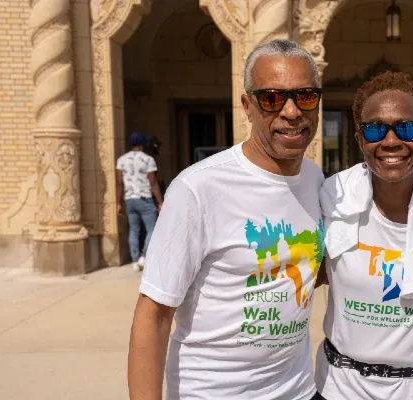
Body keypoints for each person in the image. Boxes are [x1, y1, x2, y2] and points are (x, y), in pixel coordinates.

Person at [127, 39, 326, 400]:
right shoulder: (198, 188)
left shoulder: (315, 180)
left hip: (297, 390)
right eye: (272, 98)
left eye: (306, 96)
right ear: (247, 106)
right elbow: (153, 315)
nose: (292, 111)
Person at [316, 71, 413, 400]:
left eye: (407, 128)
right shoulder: (331, 197)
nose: (392, 140)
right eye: (376, 129)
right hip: (341, 389)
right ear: (359, 139)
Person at [116, 132, 164, 272]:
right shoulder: (148, 160)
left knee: (134, 230)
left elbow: (119, 183)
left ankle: (135, 260)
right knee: (152, 229)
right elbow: (153, 183)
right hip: (145, 198)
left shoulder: (121, 160)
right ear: (142, 144)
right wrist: (160, 202)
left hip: (130, 199)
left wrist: (118, 203)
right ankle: (144, 256)